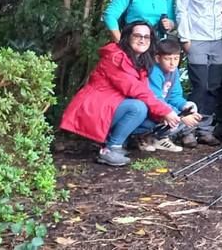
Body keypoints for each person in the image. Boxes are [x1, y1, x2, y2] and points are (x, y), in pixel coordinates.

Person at [60, 21, 181, 167]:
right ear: (127, 37)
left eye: (146, 37)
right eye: (137, 36)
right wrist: (164, 111)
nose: (142, 40)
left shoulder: (140, 60)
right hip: (95, 109)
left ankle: (116, 142)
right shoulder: (116, 57)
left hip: (113, 107)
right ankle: (111, 148)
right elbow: (136, 90)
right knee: (138, 107)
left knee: (154, 115)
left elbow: (145, 92)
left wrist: (163, 114)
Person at [175, 0, 222, 147]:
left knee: (213, 86)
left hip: (218, 39)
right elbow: (181, 8)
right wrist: (184, 38)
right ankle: (188, 129)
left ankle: (206, 129)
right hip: (196, 38)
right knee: (199, 86)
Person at [142, 38, 203, 152]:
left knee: (191, 106)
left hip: (164, 108)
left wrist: (184, 107)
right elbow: (156, 99)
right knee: (175, 117)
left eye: (176, 58)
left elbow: (175, 96)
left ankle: (159, 138)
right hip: (151, 109)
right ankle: (143, 137)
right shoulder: (154, 72)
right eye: (167, 59)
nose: (172, 63)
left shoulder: (173, 71)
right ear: (157, 58)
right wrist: (181, 116)